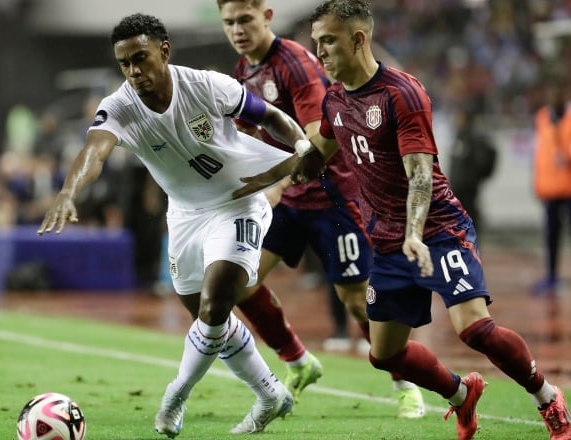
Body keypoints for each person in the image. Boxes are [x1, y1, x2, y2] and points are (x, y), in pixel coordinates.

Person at [233, 1, 571, 439]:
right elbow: (316, 157)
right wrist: (254, 183)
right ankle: (460, 395)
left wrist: (415, 233)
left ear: (358, 39)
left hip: (438, 230)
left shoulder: (402, 93)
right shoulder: (335, 100)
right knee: (383, 353)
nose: (321, 54)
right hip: (389, 243)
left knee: (475, 328)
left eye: (329, 42)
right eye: (316, 44)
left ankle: (547, 397)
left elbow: (420, 175)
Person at [37, 13, 314, 437]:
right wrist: (67, 192)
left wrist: (300, 144)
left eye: (141, 58)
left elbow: (269, 116)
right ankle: (271, 394)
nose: (133, 71)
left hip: (238, 202)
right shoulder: (119, 106)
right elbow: (93, 152)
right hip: (185, 215)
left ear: (164, 51)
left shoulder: (206, 85)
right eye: (124, 63)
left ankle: (174, 398)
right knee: (209, 323)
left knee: (215, 305)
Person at [217, 0, 425, 416]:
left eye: (245, 19)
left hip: (334, 198)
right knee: (239, 279)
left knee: (354, 301)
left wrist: (273, 183)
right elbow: (243, 140)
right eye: (229, 22)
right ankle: (298, 360)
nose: (237, 30)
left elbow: (318, 139)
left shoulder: (294, 63)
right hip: (287, 200)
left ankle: (407, 383)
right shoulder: (244, 71)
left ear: (267, 16)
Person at [531, 78, 571, 296]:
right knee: (551, 236)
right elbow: (541, 154)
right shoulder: (542, 117)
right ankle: (551, 275)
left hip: (569, 187)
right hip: (550, 188)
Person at [447, 103, 497, 235]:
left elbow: (485, 158)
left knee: (468, 224)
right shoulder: (459, 136)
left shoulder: (473, 138)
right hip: (457, 190)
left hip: (467, 191)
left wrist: (472, 179)